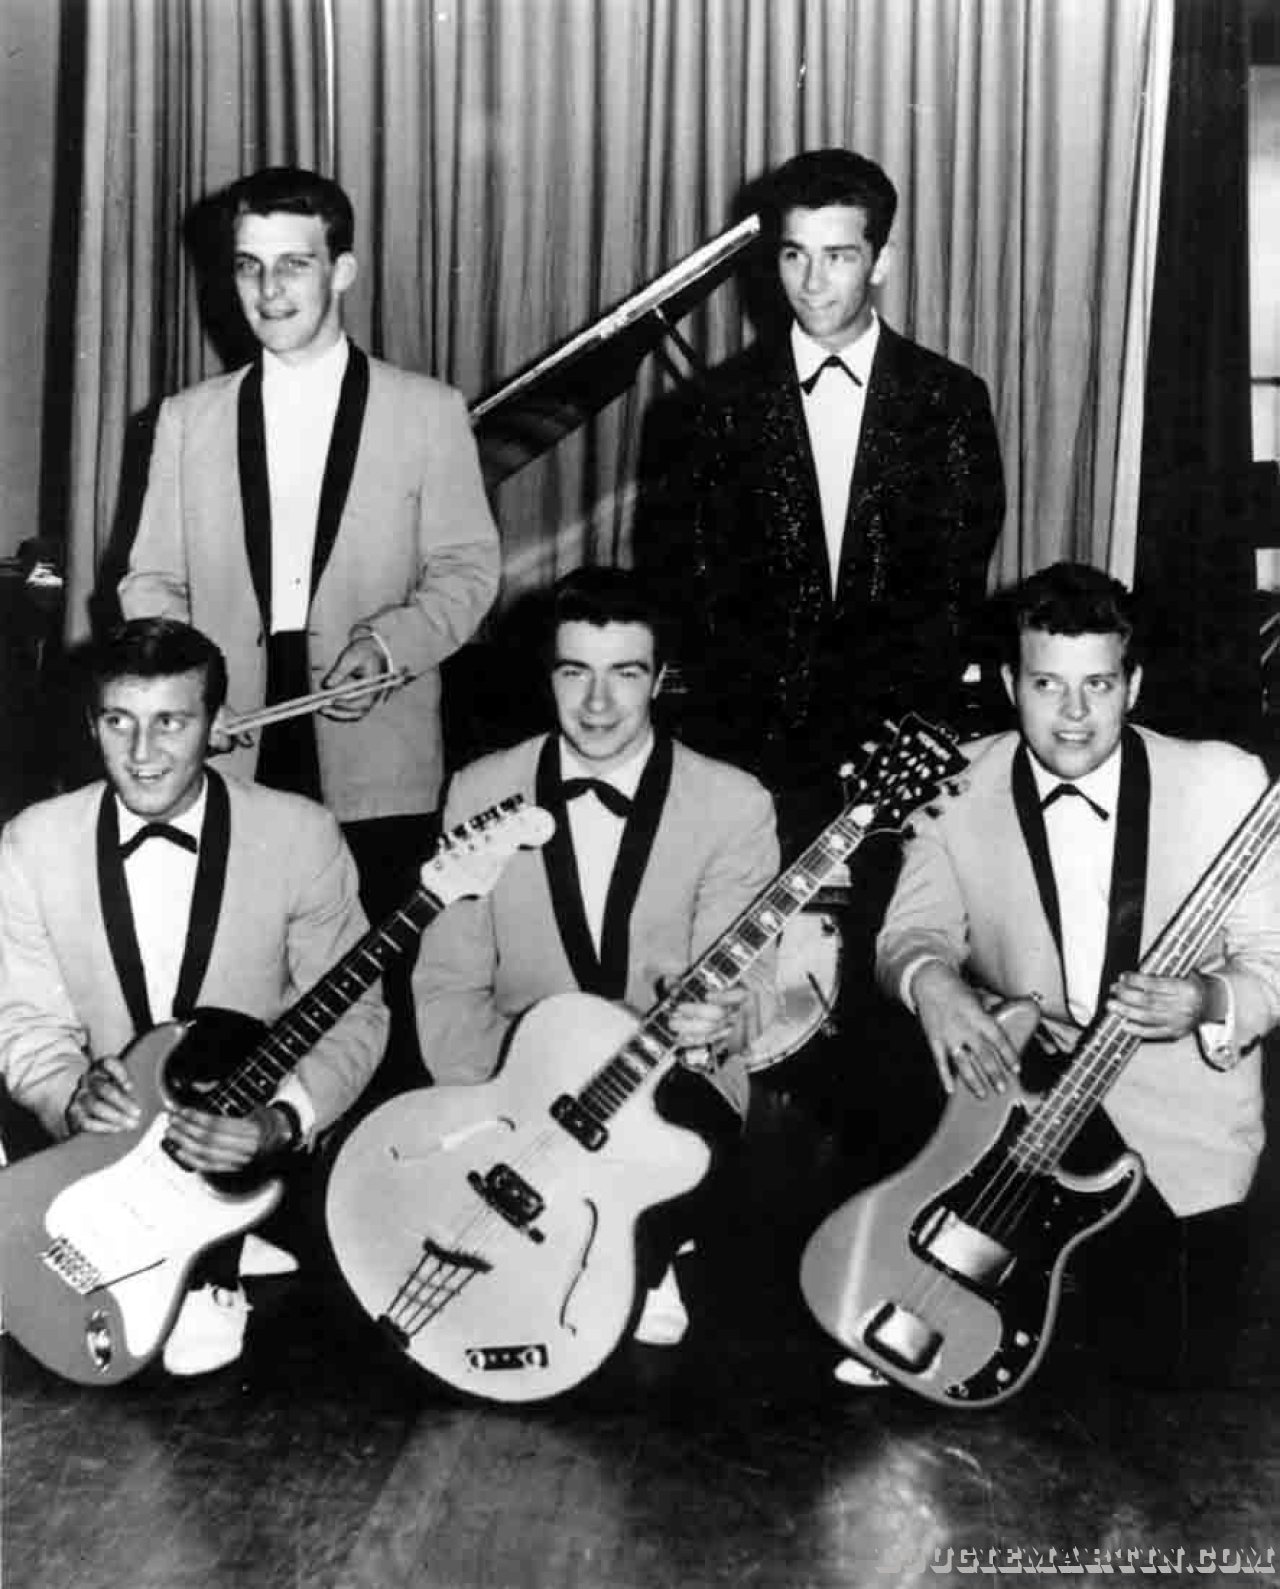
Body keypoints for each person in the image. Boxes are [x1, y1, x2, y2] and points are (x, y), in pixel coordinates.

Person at [872, 562, 1280, 1388]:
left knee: (1167, 1389)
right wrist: (934, 983)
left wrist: (1204, 998)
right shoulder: (954, 786)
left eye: (1098, 684)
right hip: (1014, 1131)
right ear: (1007, 683)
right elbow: (909, 934)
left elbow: (1271, 959)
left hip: (1183, 1142)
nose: (1073, 713)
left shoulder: (1224, 780)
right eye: (1047, 684)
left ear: (1134, 685)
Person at [117, 166, 501, 1044]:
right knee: (232, 1002)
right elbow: (151, 580)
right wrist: (190, 695)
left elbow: (467, 570)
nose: (268, 289)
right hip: (233, 737)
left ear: (342, 271)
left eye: (293, 264)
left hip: (377, 746)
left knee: (369, 1007)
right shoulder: (186, 419)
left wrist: (391, 644)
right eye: (248, 266)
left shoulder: (428, 410)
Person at [0, 618, 388, 1375]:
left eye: (171, 722)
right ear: (91, 724)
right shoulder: (31, 842)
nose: (142, 754)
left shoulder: (302, 833)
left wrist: (280, 1121)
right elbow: (24, 1017)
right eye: (120, 721)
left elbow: (357, 1014)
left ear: (215, 724)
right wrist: (69, 1095)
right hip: (94, 1160)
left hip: (243, 1154)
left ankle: (224, 1251)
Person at [412, 566, 779, 1345]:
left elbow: (747, 993)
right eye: (575, 673)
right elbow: (447, 984)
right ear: (547, 675)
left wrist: (713, 1023)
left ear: (662, 678)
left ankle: (635, 1250)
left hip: (667, 1078)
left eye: (626, 674)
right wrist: (503, 1101)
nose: (598, 703)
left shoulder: (734, 802)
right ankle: (624, 1248)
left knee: (688, 1137)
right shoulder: (480, 789)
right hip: (510, 1075)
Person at [640, 146, 1005, 845]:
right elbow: (689, 587)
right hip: (747, 750)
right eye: (794, 255)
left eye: (838, 256)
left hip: (895, 753)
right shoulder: (711, 408)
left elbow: (956, 586)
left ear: (881, 262)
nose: (811, 283)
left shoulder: (950, 400)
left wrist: (902, 731)